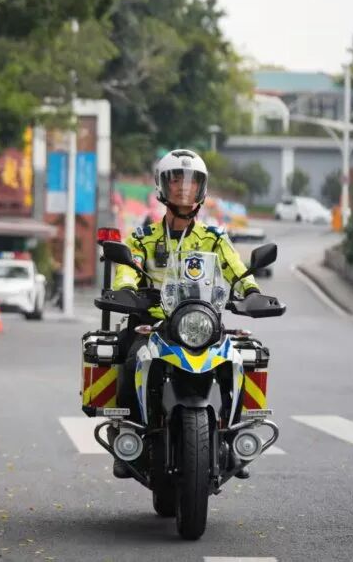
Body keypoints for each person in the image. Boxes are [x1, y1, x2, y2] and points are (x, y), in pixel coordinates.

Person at [110, 149, 274, 479]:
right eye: (176, 181)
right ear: (162, 187)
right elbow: (128, 268)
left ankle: (233, 438)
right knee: (129, 358)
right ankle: (126, 436)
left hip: (202, 322)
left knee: (237, 362)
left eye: (191, 182)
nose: (183, 188)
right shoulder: (143, 238)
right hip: (154, 323)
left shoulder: (214, 239)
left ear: (202, 189)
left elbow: (236, 269)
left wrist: (251, 292)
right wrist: (126, 289)